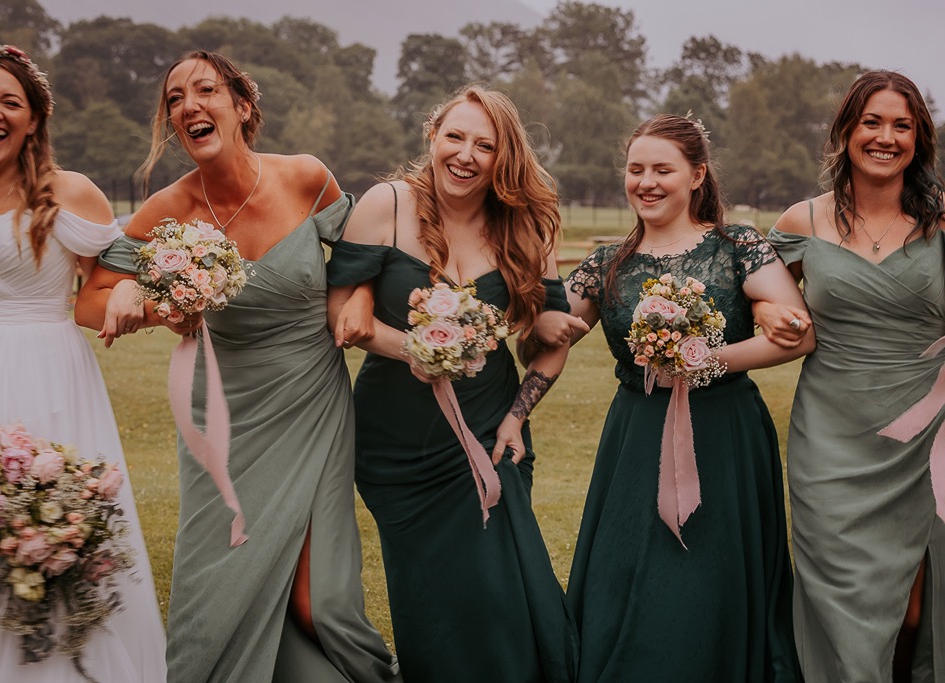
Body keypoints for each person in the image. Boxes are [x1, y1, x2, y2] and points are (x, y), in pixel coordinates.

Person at [74, 51, 401, 683]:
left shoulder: (306, 178)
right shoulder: (168, 209)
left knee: (319, 600)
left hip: (311, 396)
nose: (188, 105)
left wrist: (356, 295)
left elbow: (365, 257)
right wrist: (155, 304)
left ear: (242, 106)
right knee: (217, 583)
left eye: (205, 90)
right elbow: (92, 301)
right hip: (223, 413)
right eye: (175, 99)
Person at [532, 114, 810, 682]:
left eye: (663, 169)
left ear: (697, 175)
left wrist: (706, 359)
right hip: (636, 433)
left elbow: (800, 335)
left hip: (724, 432)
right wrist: (539, 316)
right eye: (636, 170)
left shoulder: (738, 247)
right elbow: (554, 335)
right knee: (628, 561)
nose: (647, 182)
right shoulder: (604, 263)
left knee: (710, 571)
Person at [0, 43, 166, 681]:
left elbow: (102, 293)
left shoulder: (69, 193)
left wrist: (136, 293)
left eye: (11, 101)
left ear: (34, 119)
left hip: (48, 385)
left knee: (50, 530)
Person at [325, 85, 578, 683]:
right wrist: (412, 347)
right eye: (455, 137)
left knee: (500, 590)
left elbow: (552, 341)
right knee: (431, 596)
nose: (465, 154)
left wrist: (518, 415)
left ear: (504, 158)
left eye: (484, 145)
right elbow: (343, 318)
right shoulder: (385, 205)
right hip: (398, 445)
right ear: (432, 137)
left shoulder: (525, 226)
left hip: (493, 428)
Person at [755, 70, 945, 682]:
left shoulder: (942, 222)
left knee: (917, 602)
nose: (886, 137)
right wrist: (768, 310)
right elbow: (763, 296)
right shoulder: (802, 221)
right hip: (832, 437)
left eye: (902, 125)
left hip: (929, 434)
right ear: (846, 131)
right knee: (843, 594)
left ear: (919, 140)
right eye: (872, 122)